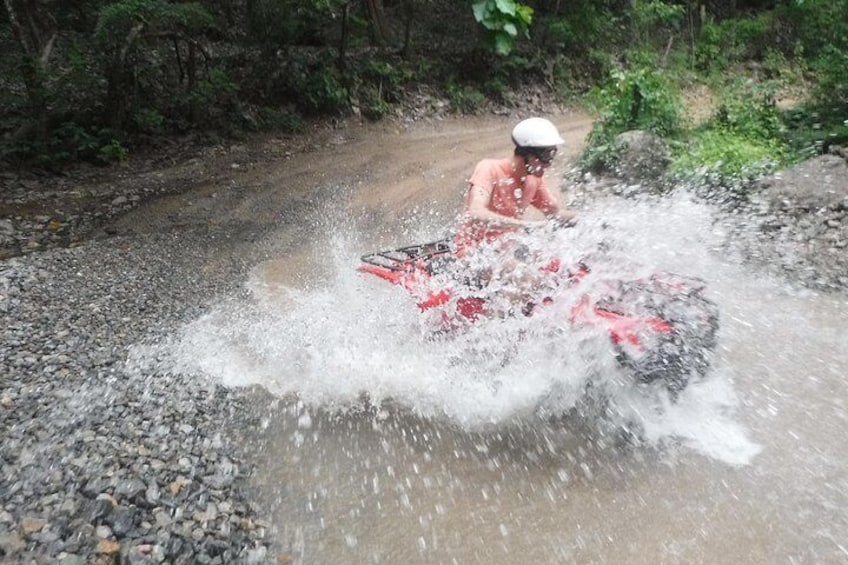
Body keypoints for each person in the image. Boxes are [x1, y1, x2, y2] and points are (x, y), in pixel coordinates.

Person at [455, 116, 577, 251]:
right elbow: (476, 213)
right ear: (527, 154)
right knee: (513, 265)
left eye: (553, 154)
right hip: (473, 250)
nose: (548, 163)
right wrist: (525, 225)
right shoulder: (489, 169)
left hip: (508, 248)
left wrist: (589, 220)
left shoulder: (534, 180)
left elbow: (555, 213)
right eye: (546, 156)